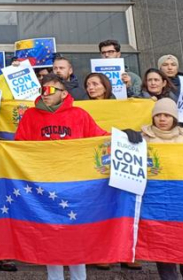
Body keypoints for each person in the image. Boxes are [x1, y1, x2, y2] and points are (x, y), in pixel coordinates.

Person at [15, 74, 142, 280]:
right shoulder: (30, 116)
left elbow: (99, 137)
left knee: (76, 234)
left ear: (64, 93)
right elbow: (19, 146)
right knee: (50, 234)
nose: (45, 94)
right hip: (44, 184)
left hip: (75, 185)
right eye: (42, 90)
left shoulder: (79, 115)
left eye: (50, 90)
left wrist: (123, 135)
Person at [140, 98, 183, 280]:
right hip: (157, 201)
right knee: (163, 244)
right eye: (158, 115)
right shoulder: (143, 138)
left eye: (167, 115)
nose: (162, 119)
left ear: (174, 117)